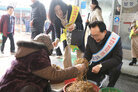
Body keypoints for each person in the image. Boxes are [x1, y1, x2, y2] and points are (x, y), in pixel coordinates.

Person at [0, 34, 86, 92]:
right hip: (14, 88)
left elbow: (46, 75)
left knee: (44, 84)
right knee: (31, 89)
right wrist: (77, 69)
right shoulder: (37, 54)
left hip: (7, 85)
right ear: (47, 47)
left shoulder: (29, 50)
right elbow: (54, 75)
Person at [84, 21, 122, 87]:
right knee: (85, 72)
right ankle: (99, 78)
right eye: (92, 35)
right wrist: (83, 63)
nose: (94, 38)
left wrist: (101, 65)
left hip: (109, 64)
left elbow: (117, 58)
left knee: (116, 70)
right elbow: (87, 54)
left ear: (104, 32)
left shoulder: (115, 39)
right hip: (96, 63)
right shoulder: (90, 38)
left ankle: (110, 86)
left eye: (96, 35)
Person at [49, 0, 85, 68]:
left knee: (80, 53)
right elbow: (57, 30)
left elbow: (80, 23)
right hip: (66, 35)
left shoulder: (72, 9)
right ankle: (68, 72)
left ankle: (80, 73)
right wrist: (57, 39)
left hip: (77, 33)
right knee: (66, 54)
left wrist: (74, 25)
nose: (59, 12)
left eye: (60, 9)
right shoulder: (55, 17)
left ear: (63, 7)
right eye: (56, 11)